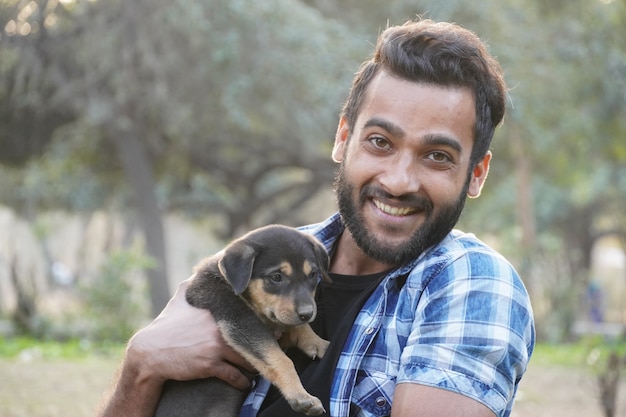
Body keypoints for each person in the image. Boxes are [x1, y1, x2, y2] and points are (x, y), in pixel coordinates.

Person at [97, 18, 535, 417]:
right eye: (380, 142)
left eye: (437, 156)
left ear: (476, 175)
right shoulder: (268, 257)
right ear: (343, 140)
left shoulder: (472, 282)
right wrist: (140, 366)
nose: (399, 181)